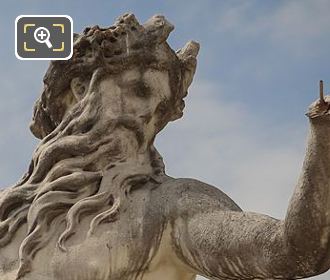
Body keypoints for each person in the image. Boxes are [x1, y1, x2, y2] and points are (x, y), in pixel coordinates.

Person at [1, 13, 330, 280]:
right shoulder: (7, 212)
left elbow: (293, 252)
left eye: (161, 110)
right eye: (140, 90)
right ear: (80, 88)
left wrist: (324, 134)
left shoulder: (170, 208)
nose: (148, 116)